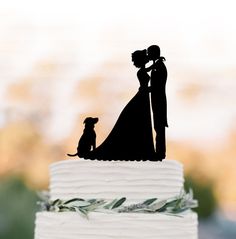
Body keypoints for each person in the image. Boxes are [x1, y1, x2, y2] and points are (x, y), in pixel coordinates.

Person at [86, 49, 155, 161]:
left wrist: (155, 63)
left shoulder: (143, 70)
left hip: (143, 96)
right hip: (142, 96)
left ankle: (143, 149)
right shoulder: (141, 72)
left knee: (142, 122)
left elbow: (149, 69)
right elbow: (145, 83)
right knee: (142, 121)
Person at [147, 45, 168, 161]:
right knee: (158, 126)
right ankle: (159, 152)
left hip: (159, 99)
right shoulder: (157, 65)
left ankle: (160, 153)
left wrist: (146, 89)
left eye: (149, 53)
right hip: (156, 99)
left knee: (159, 127)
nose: (148, 55)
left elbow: (157, 86)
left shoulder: (159, 66)